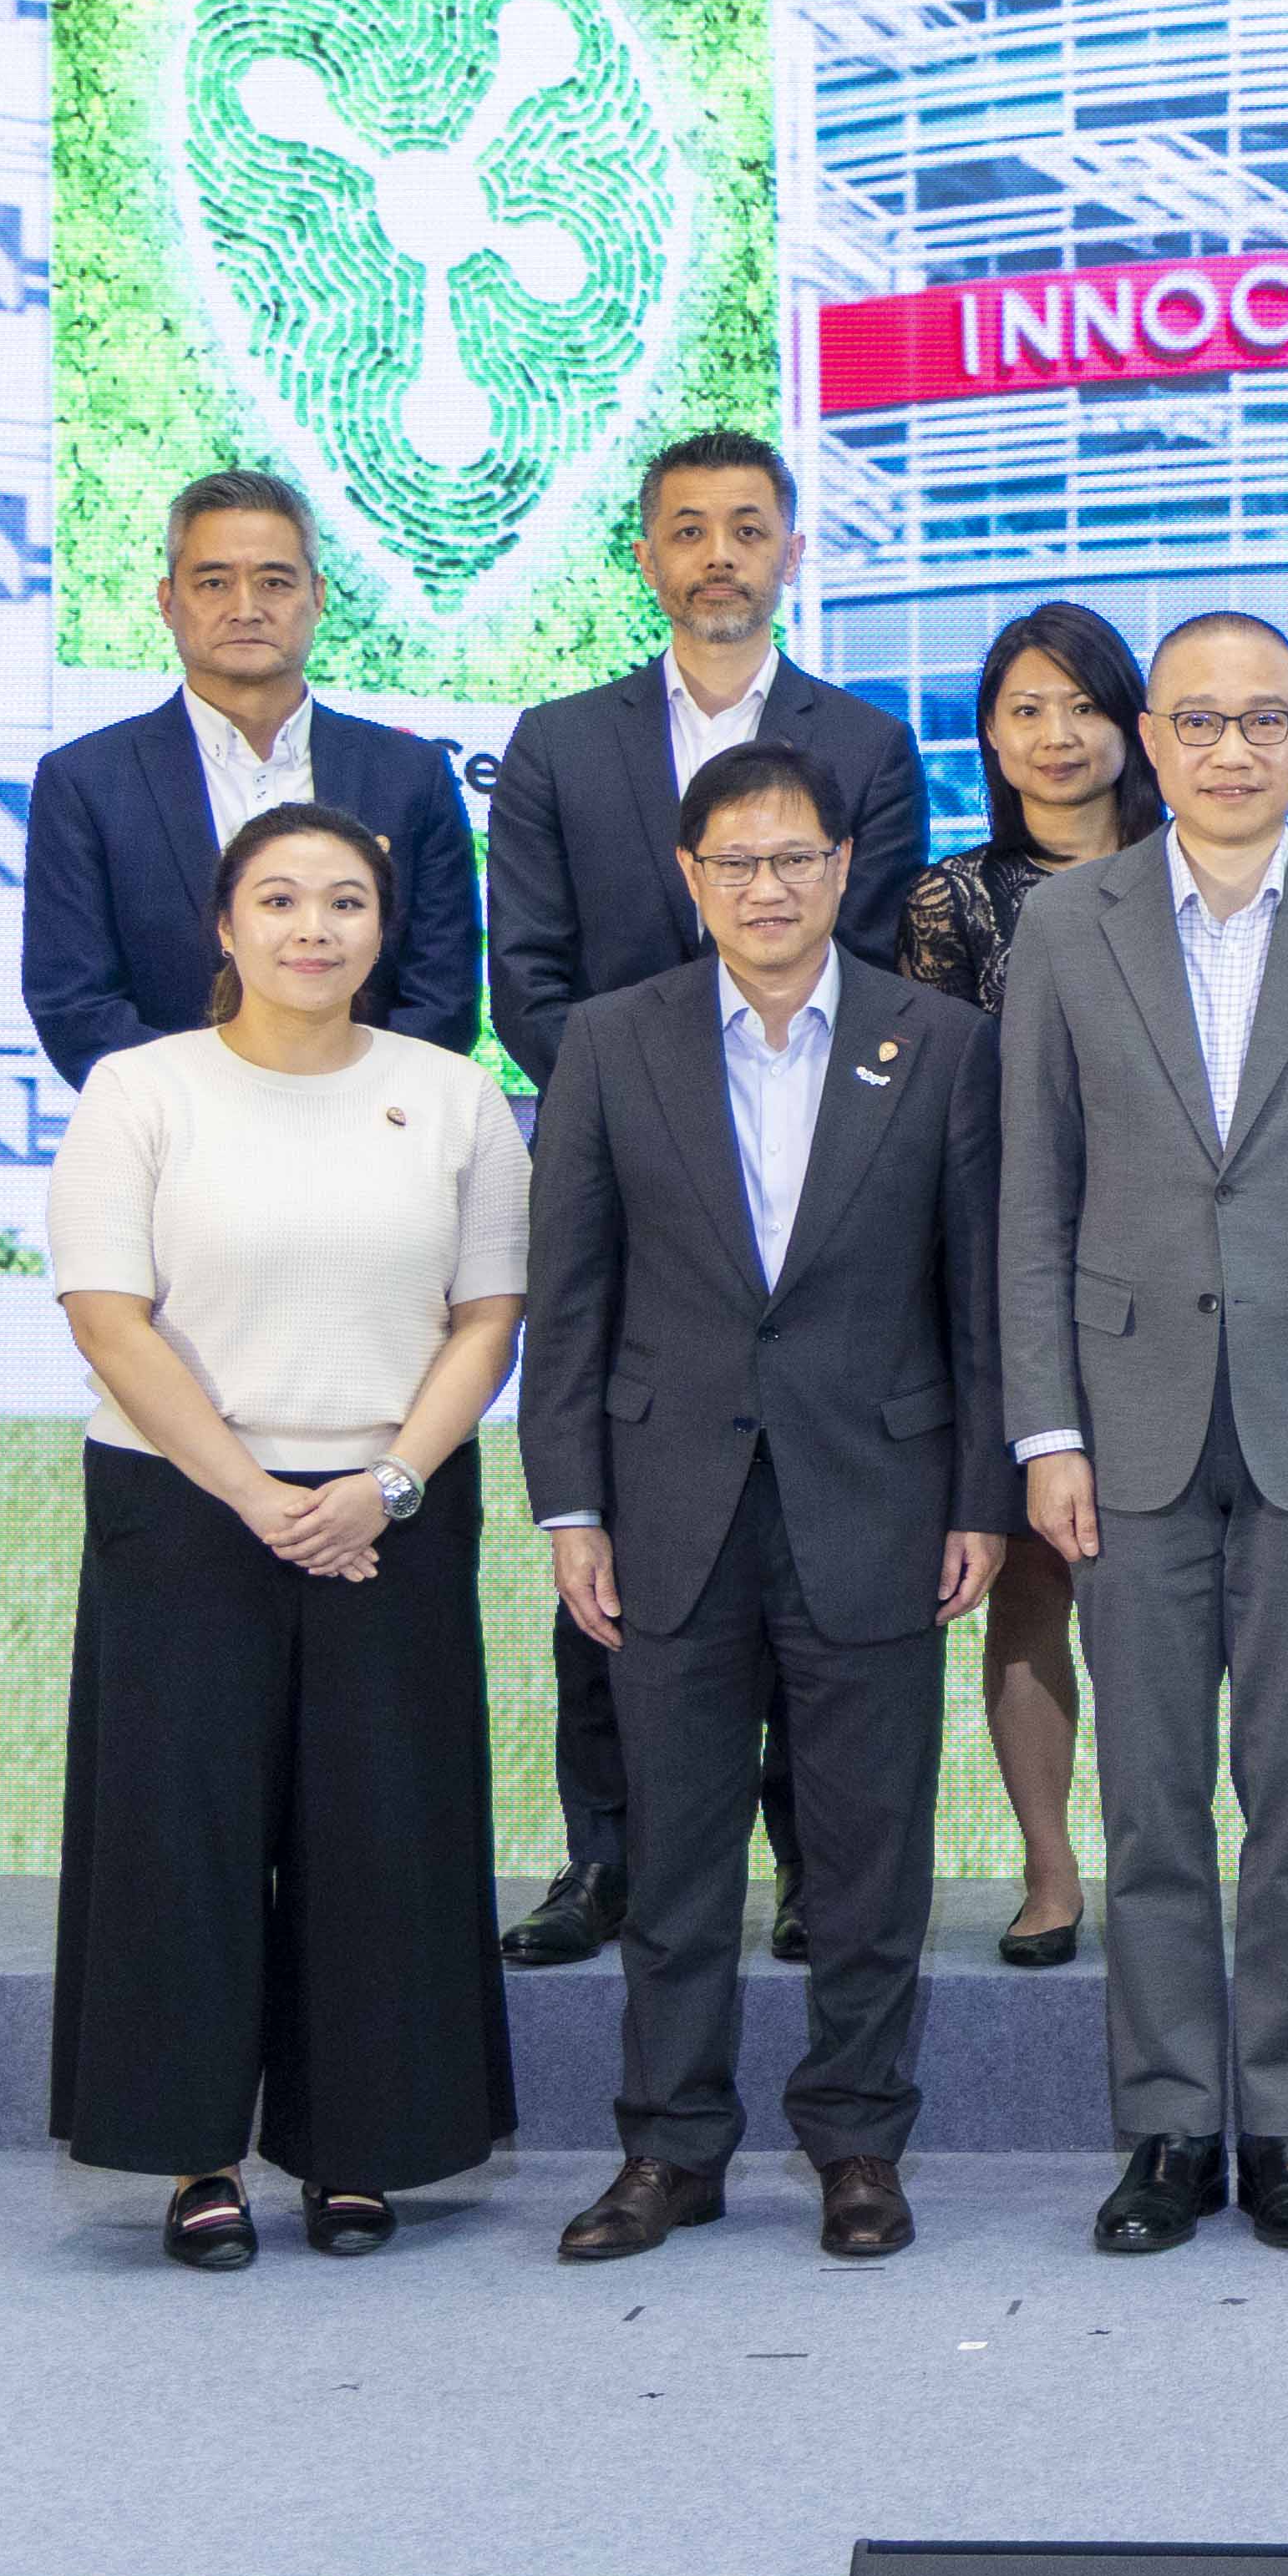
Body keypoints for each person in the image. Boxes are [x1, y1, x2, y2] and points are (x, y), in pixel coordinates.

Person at [999, 611, 1288, 2261]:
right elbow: (1031, 1200)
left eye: (1264, 718)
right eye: (1198, 721)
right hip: (1120, 1431)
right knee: (1151, 1801)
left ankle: (1287, 2129)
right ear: (1150, 736)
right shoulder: (1068, 921)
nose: (1231, 750)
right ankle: (1168, 2127)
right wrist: (1043, 1427)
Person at [519, 741, 1010, 2270]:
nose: (769, 885)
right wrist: (568, 1504)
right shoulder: (611, 1040)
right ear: (690, 877)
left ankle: (858, 2140)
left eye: (796, 856)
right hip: (666, 1501)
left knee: (866, 1852)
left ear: (843, 866)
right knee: (674, 1850)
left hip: (879, 1490)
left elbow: (978, 1295)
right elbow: (571, 1297)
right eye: (736, 861)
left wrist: (980, 1494)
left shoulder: (935, 1040)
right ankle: (669, 2148)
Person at [43, 800, 525, 2271]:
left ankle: (357, 2146)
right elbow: (107, 1313)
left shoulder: (452, 1092)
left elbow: (489, 1314)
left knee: (384, 1835)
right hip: (183, 1507)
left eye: (344, 902)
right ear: (224, 923)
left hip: (391, 1510)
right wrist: (252, 1493)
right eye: (279, 898)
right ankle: (195, 2153)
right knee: (179, 1839)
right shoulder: (142, 1087)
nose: (313, 927)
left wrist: (381, 1481)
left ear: (387, 929)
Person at [479, 433, 932, 1980]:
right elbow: (525, 974)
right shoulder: (555, 741)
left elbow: (858, 971)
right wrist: (636, 1102)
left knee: (818, 1544)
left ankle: (815, 1871)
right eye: (689, 529)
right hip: (636, 1182)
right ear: (647, 556)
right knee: (632, 1537)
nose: (719, 553)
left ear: (792, 550)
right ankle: (608, 1859)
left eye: (749, 526)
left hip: (825, 1183)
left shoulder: (865, 743)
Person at [897, 598, 1164, 1969]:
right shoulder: (948, 899)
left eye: (1081, 704)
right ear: (990, 735)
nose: (1055, 735)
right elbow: (934, 1113)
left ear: (1134, 718)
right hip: (1010, 1274)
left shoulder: (1206, 873)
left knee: (1171, 1590)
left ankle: (1172, 1868)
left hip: (1183, 1282)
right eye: (1023, 709)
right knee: (1036, 1581)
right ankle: (1051, 1872)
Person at [18, 468, 482, 1083]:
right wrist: (222, 1113)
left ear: (317, 597)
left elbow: (443, 997)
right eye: (213, 582)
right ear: (167, 602)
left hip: (376, 1145)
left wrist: (345, 1107)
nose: (246, 609)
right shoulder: (85, 781)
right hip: (173, 1150)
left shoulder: (411, 776)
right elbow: (75, 1004)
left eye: (274, 581)